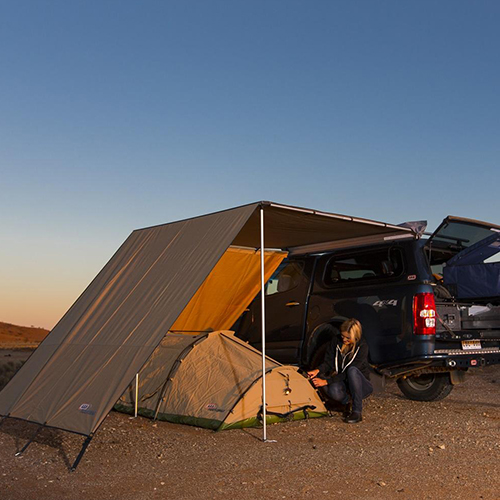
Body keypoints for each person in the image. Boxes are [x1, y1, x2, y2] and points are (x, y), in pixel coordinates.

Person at [307, 318, 373, 423]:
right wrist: (317, 370)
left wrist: (326, 381)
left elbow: (347, 373)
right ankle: (346, 403)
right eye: (342, 336)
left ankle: (357, 411)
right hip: (343, 381)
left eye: (348, 338)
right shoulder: (336, 341)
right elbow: (329, 362)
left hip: (361, 385)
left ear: (355, 336)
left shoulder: (362, 346)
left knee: (352, 370)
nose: (344, 339)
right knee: (331, 389)